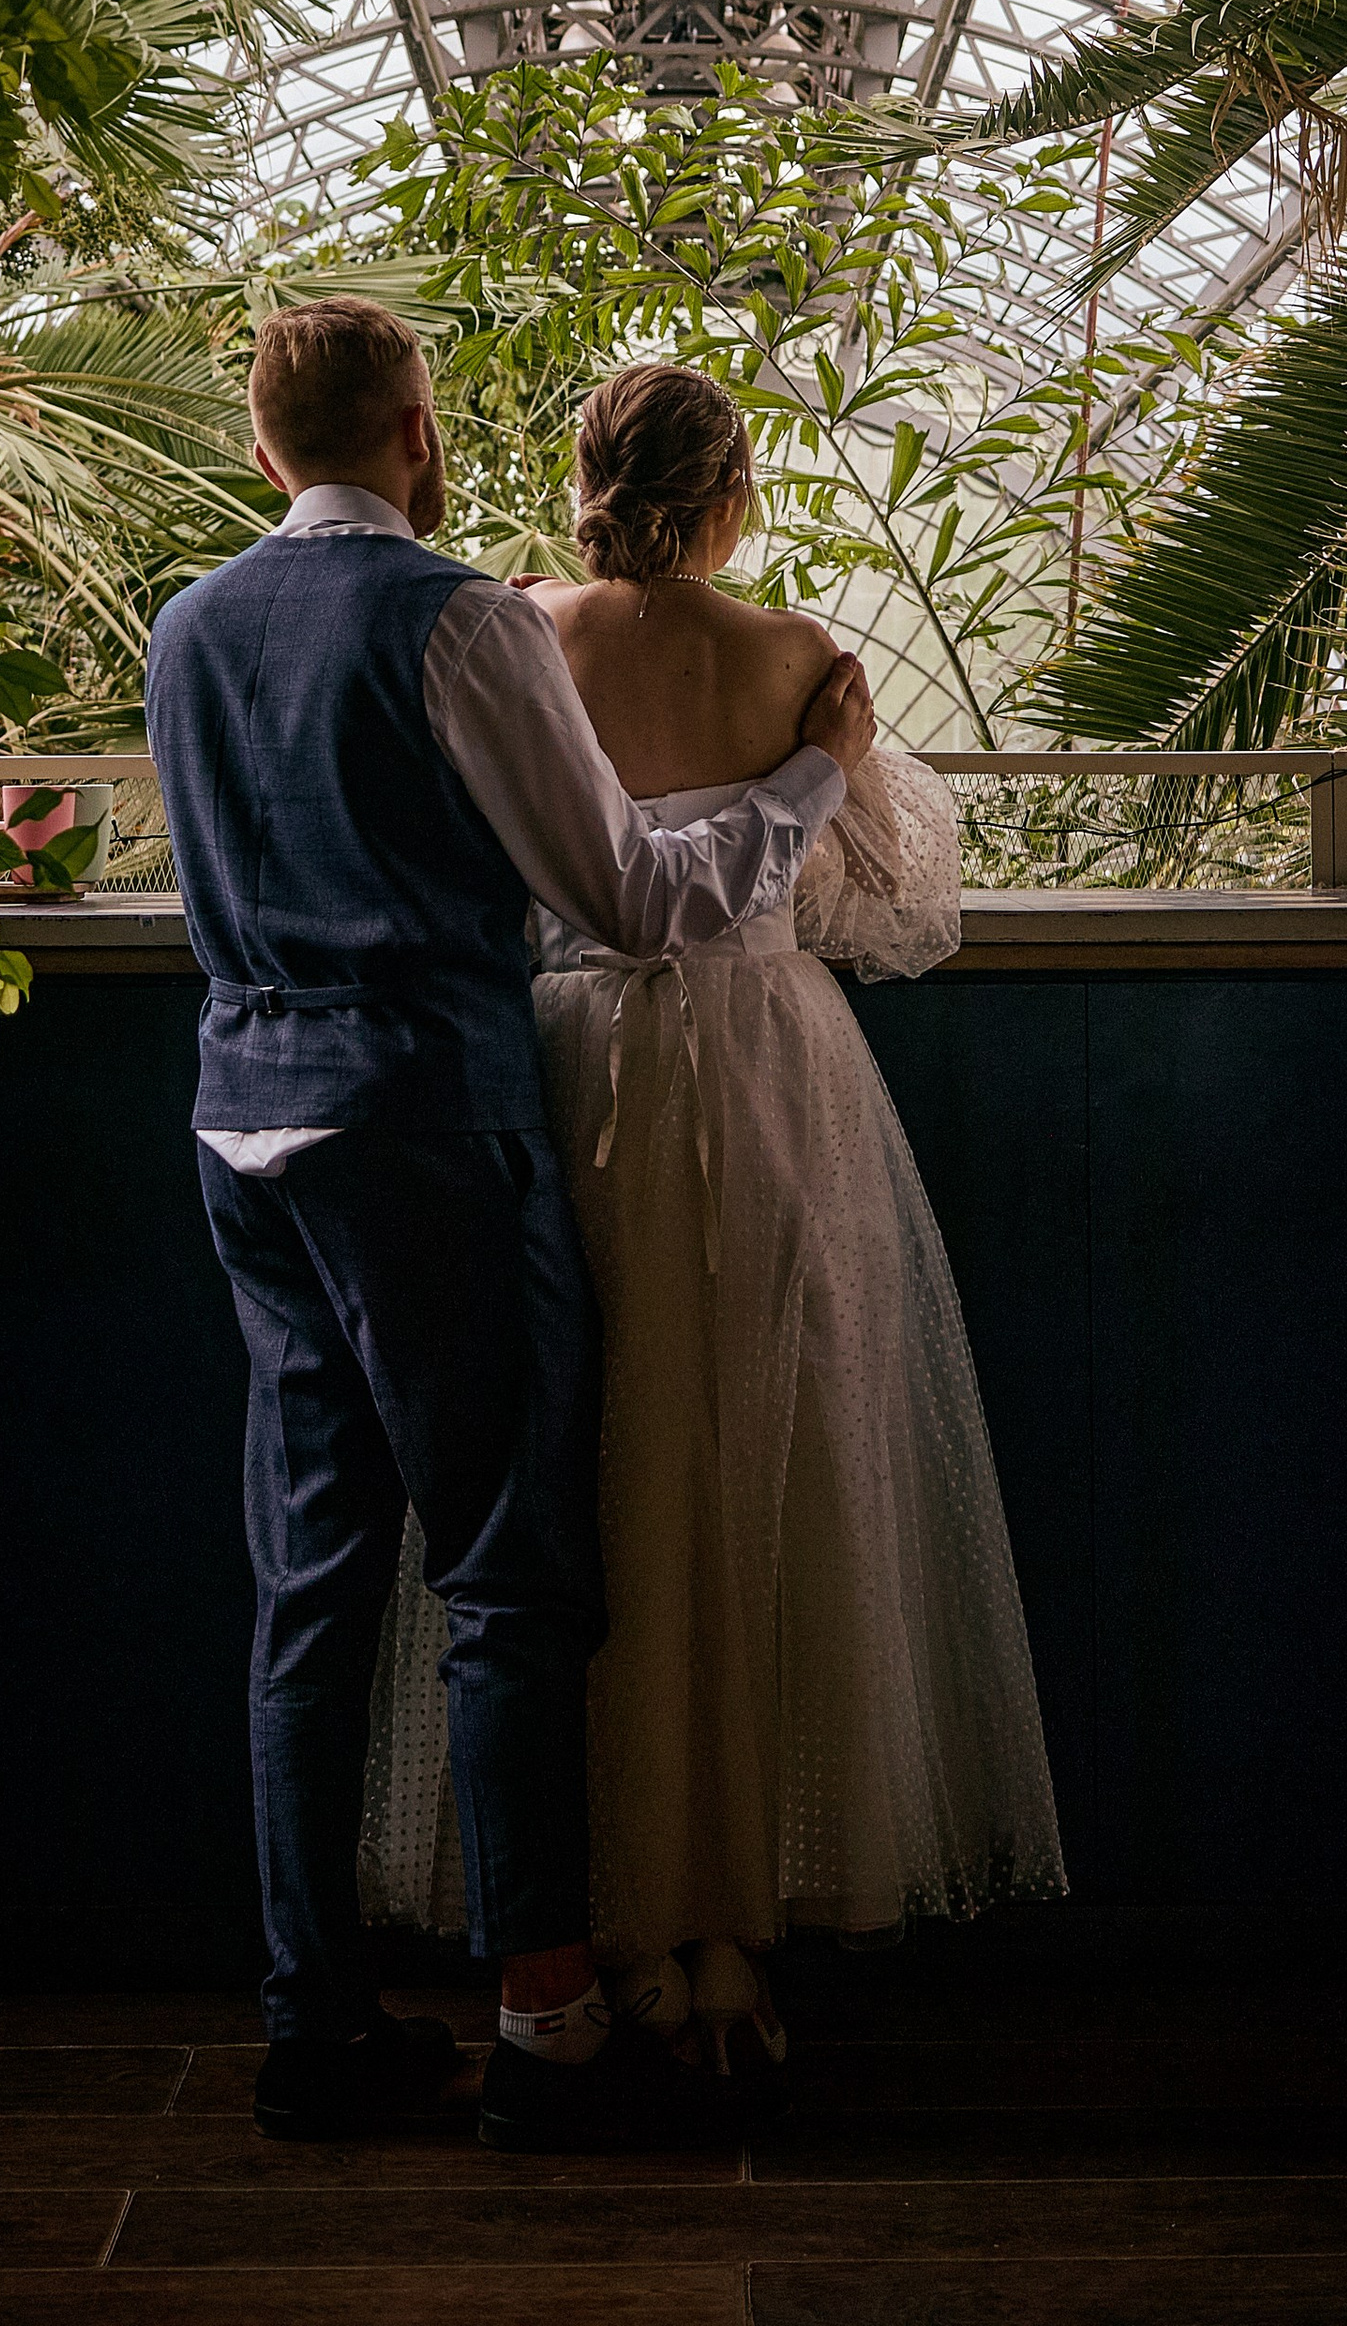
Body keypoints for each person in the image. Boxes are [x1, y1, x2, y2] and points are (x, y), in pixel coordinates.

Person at [145, 300, 875, 2153]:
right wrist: (804, 782)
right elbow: (631, 900)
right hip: (423, 1130)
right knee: (507, 1574)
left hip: (243, 1127)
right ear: (418, 430)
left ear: (261, 452)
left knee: (309, 1588)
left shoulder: (190, 627)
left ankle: (312, 2022)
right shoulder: (457, 620)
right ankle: (545, 2026)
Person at [360, 362, 1064, 2086]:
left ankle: (605, 1918)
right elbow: (899, 912)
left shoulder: (517, 631)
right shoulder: (803, 659)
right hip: (769, 1073)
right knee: (777, 1466)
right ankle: (747, 1923)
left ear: (581, 476)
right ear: (737, 490)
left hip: (580, 1066)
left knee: (591, 1467)